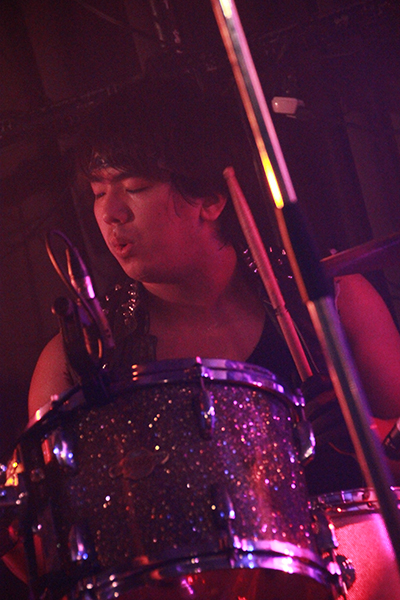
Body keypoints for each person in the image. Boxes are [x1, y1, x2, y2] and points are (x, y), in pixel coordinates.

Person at [4, 74, 400, 598]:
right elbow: (50, 554)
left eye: (134, 188)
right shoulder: (79, 360)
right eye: (99, 192)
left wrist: (374, 437)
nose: (109, 213)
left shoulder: (332, 304)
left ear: (210, 201)